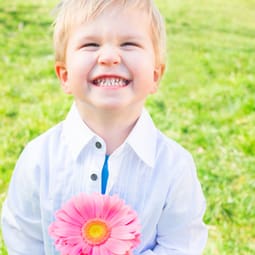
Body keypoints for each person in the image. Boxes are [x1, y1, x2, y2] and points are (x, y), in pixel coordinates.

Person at [1, 0, 208, 254]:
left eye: (129, 44)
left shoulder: (175, 167)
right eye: (91, 44)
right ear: (64, 76)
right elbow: (23, 237)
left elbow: (181, 244)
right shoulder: (38, 159)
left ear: (155, 75)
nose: (109, 57)